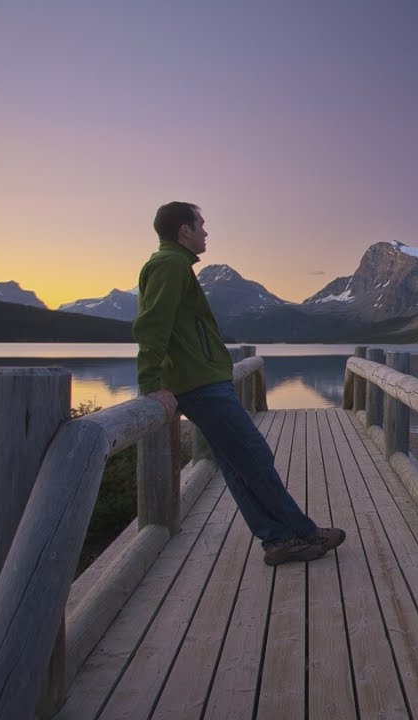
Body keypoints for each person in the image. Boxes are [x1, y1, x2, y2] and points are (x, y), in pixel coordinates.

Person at [133, 201, 345, 566]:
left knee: (236, 464)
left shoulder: (176, 265)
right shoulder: (169, 265)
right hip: (200, 385)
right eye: (200, 224)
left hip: (203, 381)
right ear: (184, 230)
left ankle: (279, 540)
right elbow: (153, 326)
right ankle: (302, 532)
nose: (206, 231)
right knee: (254, 455)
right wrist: (150, 383)